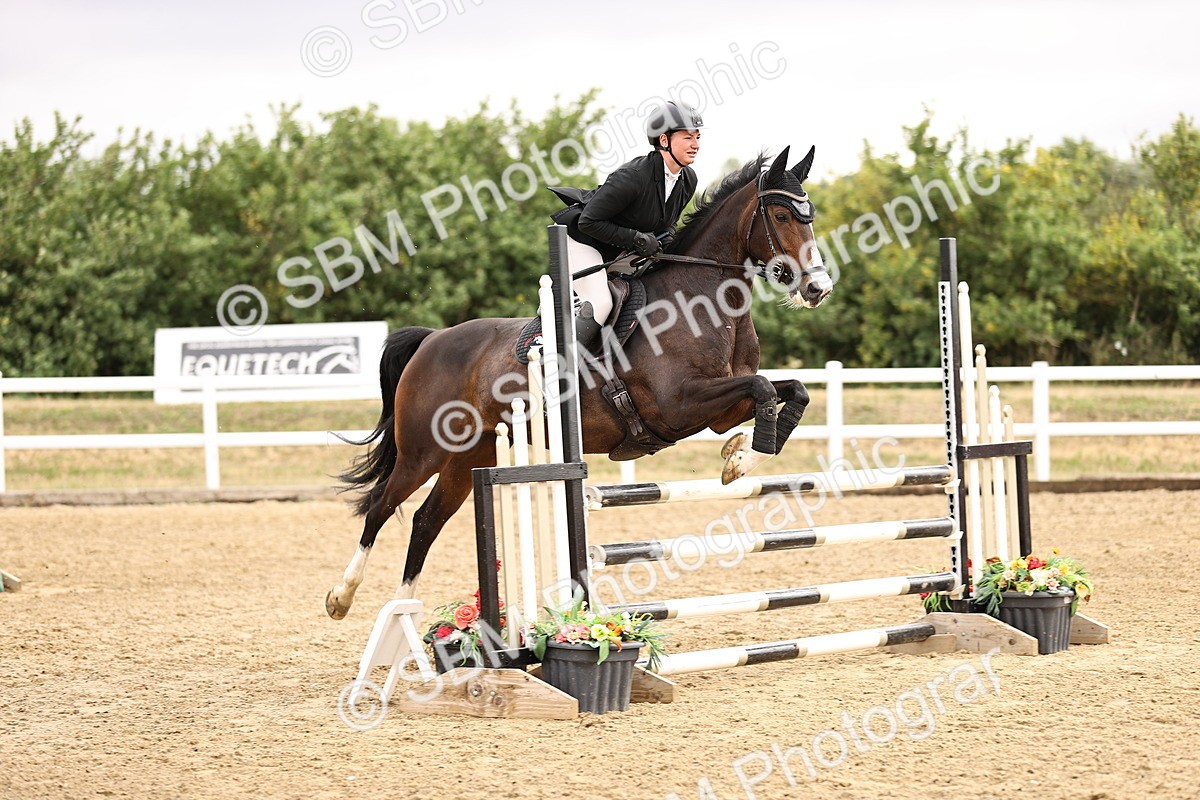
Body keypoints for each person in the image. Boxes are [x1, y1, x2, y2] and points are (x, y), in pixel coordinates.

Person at [547, 101, 702, 349]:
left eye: (697, 137)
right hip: (585, 241)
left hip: (621, 249)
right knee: (601, 302)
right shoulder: (633, 176)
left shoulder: (687, 179)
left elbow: (666, 224)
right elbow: (589, 221)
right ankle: (561, 366)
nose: (696, 145)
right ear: (664, 140)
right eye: (687, 137)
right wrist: (637, 239)